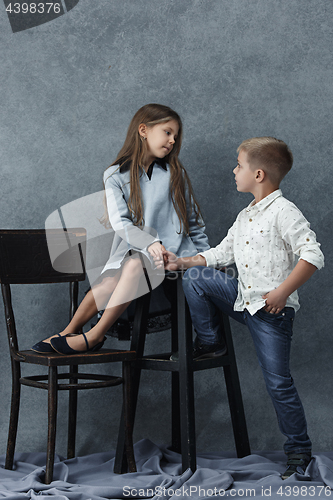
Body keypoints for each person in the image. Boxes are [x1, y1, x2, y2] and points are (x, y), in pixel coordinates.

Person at [160, 137, 324, 480]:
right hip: (242, 299)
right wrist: (184, 261)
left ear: (259, 174)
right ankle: (210, 340)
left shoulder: (284, 211)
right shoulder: (246, 215)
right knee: (197, 277)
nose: (234, 171)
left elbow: (312, 255)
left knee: (279, 383)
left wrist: (281, 293)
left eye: (239, 165)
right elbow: (222, 253)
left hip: (271, 312)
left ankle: (299, 451)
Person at [31, 103, 209, 355]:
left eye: (175, 136)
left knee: (134, 265)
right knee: (111, 277)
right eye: (167, 132)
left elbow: (194, 222)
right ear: (143, 130)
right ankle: (68, 331)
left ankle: (95, 334)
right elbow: (121, 223)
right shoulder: (114, 175)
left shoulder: (175, 173)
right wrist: (149, 243)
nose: (172, 141)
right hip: (134, 249)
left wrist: (205, 258)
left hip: (172, 256)